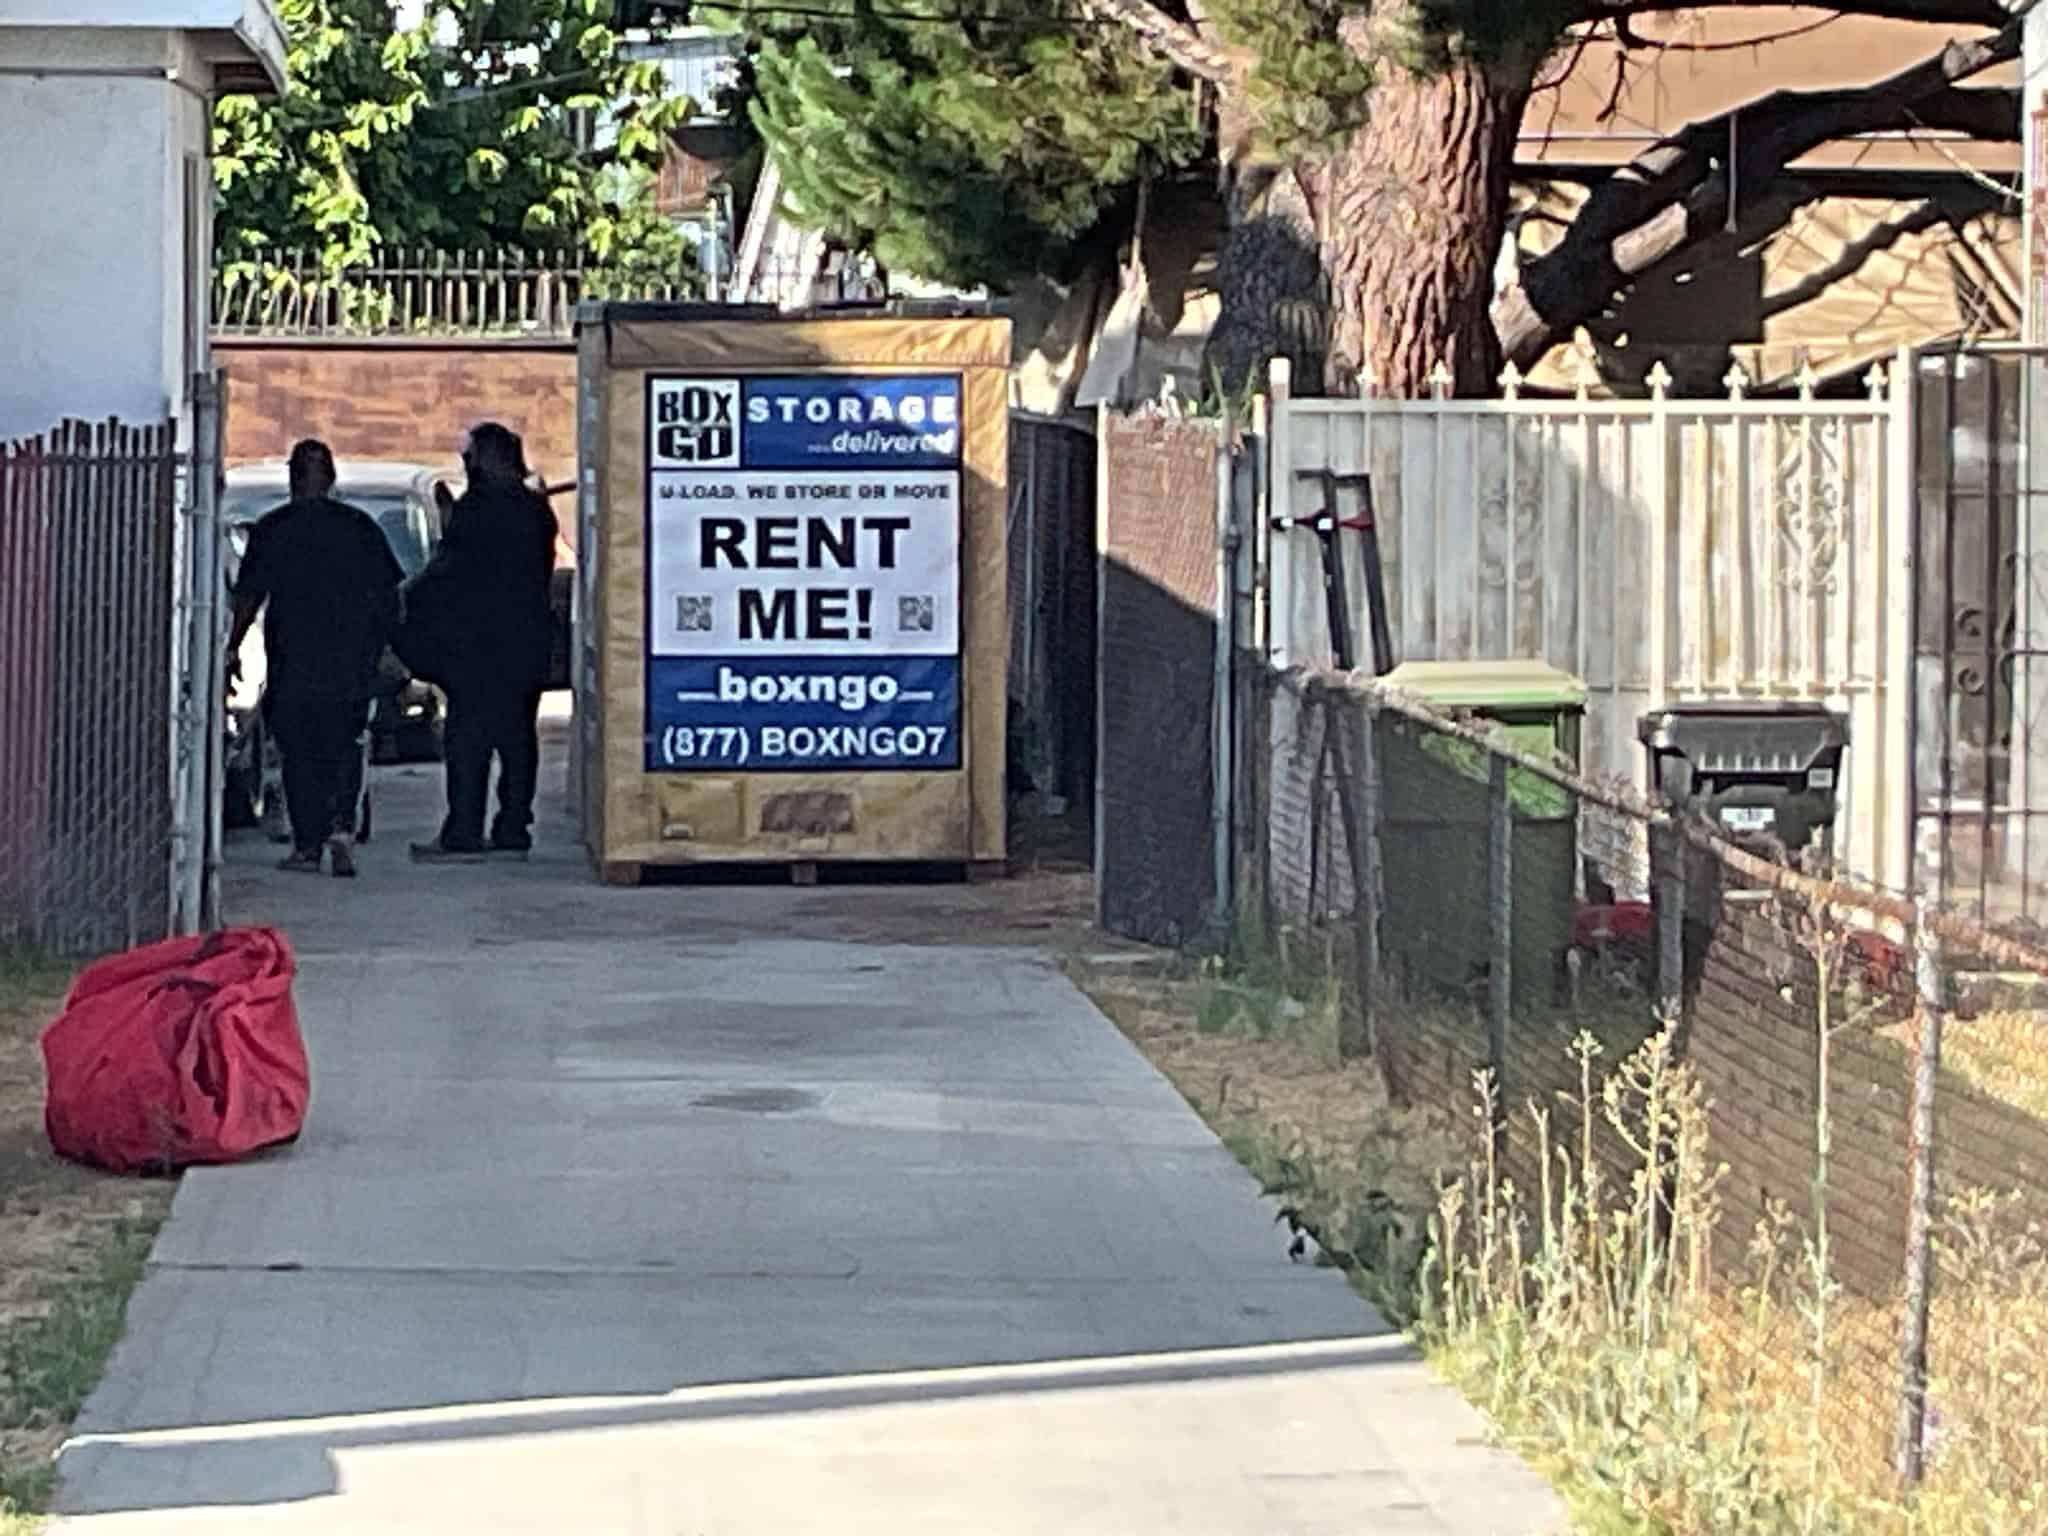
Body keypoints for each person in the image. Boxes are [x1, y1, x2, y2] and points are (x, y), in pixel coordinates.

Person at [227, 440, 403, 878]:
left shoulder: (274, 529)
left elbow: (249, 597)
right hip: (350, 661)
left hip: (294, 660)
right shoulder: (359, 528)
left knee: (300, 753)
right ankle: (342, 827)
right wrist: (387, 647)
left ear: (292, 479)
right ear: (332, 479)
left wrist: (232, 647)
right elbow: (390, 597)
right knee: (346, 745)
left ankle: (308, 845)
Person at [401, 422, 558, 862]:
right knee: (517, 738)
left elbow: (449, 570)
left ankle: (464, 831)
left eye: (472, 457)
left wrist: (409, 596)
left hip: (478, 645)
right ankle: (513, 827)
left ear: (491, 458)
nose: (466, 464)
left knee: (468, 740)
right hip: (525, 642)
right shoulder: (536, 511)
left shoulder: (477, 510)